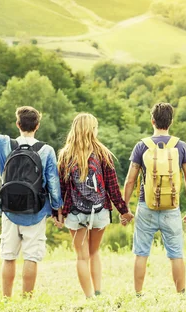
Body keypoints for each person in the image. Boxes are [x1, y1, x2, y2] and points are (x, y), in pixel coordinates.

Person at [0, 74, 63, 298]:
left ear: (18, 124)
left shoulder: (5, 143)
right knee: (31, 257)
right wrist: (57, 210)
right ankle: (27, 300)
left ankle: (6, 299)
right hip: (36, 210)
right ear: (38, 125)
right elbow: (53, 183)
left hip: (9, 208)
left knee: (8, 255)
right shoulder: (46, 150)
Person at [57, 113, 134, 298]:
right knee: (94, 252)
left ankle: (89, 296)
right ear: (92, 130)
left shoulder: (66, 155)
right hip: (99, 212)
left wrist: (57, 212)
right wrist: (124, 211)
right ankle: (98, 292)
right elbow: (113, 188)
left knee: (81, 257)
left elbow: (60, 189)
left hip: (74, 213)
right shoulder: (103, 153)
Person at [123, 102, 186, 295]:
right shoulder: (180, 146)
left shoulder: (142, 146)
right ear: (170, 122)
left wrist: (124, 209)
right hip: (171, 208)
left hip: (146, 205)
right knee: (176, 254)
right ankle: (180, 294)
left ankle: (138, 293)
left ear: (152, 121)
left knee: (141, 253)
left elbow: (130, 180)